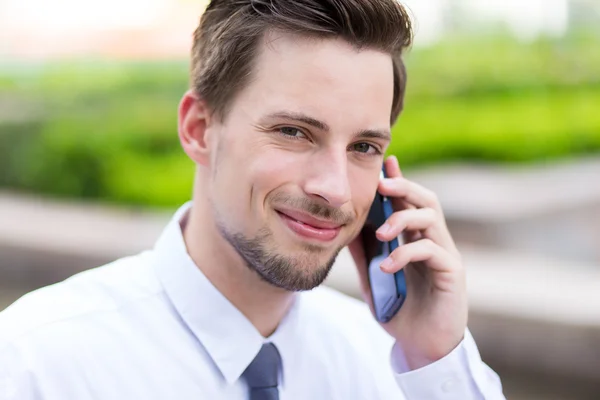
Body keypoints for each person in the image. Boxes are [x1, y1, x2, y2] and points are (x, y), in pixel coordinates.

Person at [0, 0, 506, 399]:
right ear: (199, 129)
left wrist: (438, 361)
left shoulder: (396, 365)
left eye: (364, 147)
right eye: (293, 132)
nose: (333, 188)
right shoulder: (35, 363)